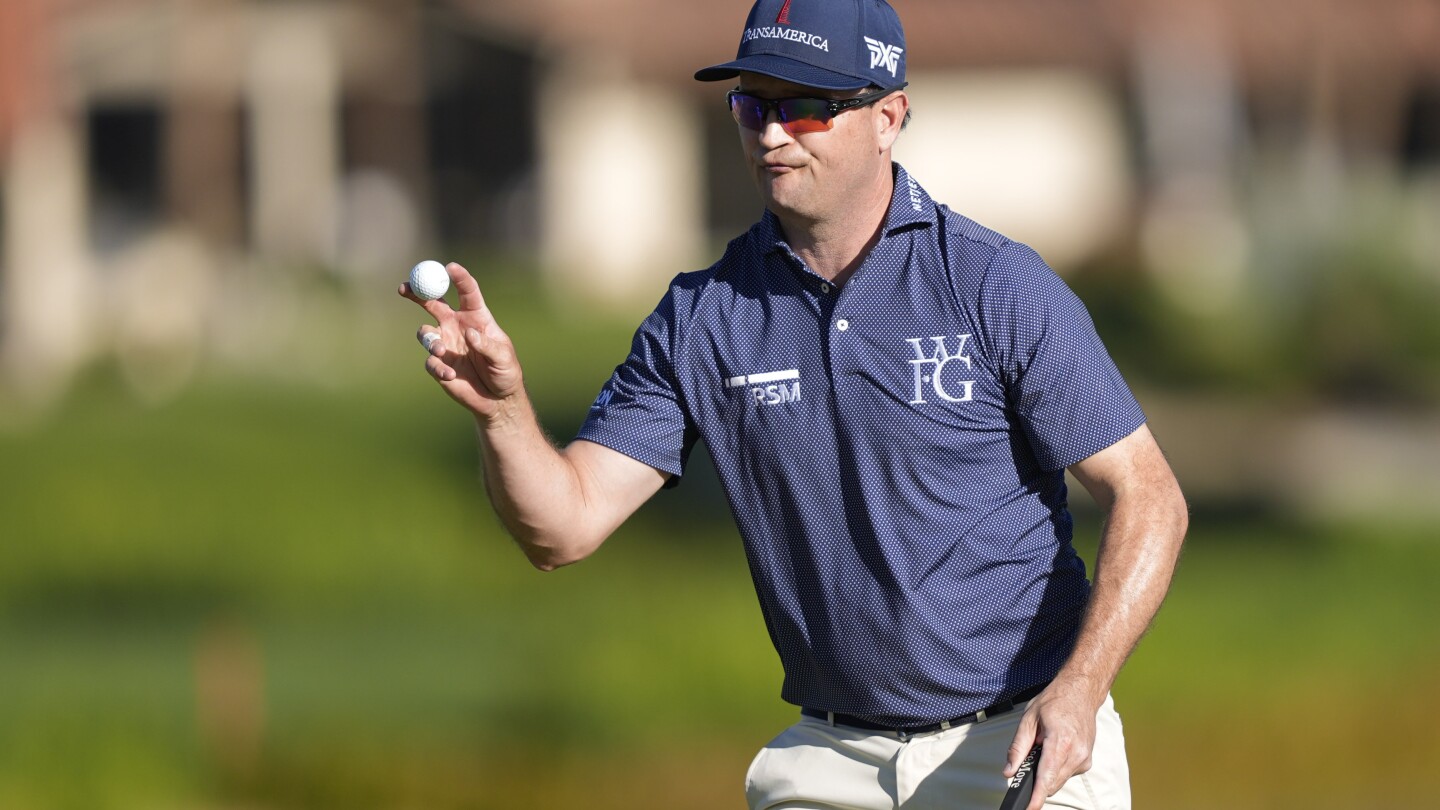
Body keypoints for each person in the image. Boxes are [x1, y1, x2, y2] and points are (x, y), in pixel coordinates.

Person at [401, 0, 1187, 807]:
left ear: (889, 118)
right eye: (754, 106)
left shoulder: (994, 285)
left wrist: (1081, 688)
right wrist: (502, 414)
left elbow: (1149, 496)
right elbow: (561, 527)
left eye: (806, 107)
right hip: (832, 758)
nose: (772, 134)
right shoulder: (701, 317)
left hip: (1023, 738)